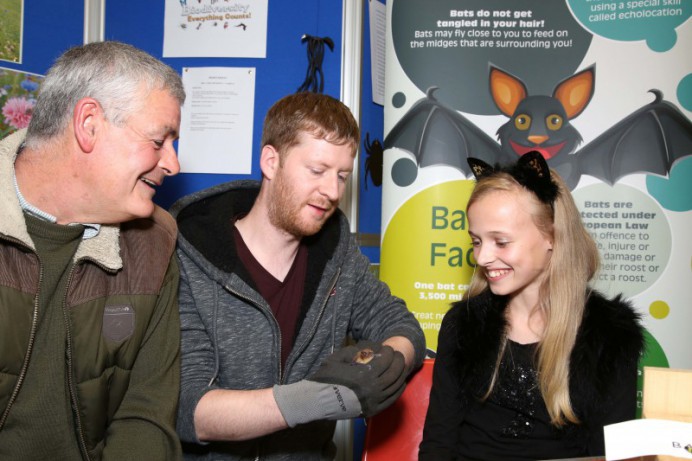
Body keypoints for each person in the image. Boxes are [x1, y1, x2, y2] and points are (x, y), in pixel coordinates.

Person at [171, 91, 426, 460]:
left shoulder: (338, 252)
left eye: (342, 176)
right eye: (317, 171)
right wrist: (321, 397)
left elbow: (401, 326)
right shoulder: (190, 255)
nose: (332, 191)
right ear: (271, 162)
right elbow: (191, 411)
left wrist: (386, 366)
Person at [0, 41, 186, 460]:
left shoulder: (154, 241)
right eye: (160, 140)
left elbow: (146, 413)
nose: (172, 164)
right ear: (89, 124)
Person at [419, 152, 645, 460]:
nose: (482, 257)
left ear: (551, 236)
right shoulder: (464, 324)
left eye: (500, 242)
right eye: (476, 241)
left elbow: (612, 454)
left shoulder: (609, 336)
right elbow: (438, 443)